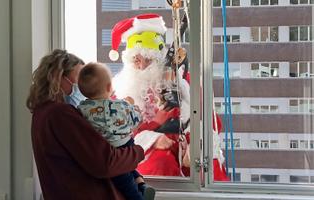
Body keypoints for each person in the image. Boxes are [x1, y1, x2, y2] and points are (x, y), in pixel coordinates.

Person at [109, 13, 228, 180]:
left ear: (158, 59)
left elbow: (211, 121)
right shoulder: (121, 92)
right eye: (135, 60)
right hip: (147, 151)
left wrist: (197, 142)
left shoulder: (184, 81)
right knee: (159, 165)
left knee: (205, 166)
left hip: (186, 143)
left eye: (147, 59)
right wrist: (153, 139)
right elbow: (115, 136)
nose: (141, 65)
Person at [26, 49, 145, 200]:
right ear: (59, 77)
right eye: (80, 78)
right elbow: (105, 163)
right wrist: (138, 151)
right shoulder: (61, 114)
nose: (84, 86)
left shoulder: (42, 113)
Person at [77, 62, 155, 200]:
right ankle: (140, 192)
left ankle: (140, 189)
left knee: (125, 174)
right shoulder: (120, 106)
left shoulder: (82, 110)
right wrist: (132, 107)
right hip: (124, 145)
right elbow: (136, 120)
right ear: (109, 87)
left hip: (105, 148)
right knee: (126, 175)